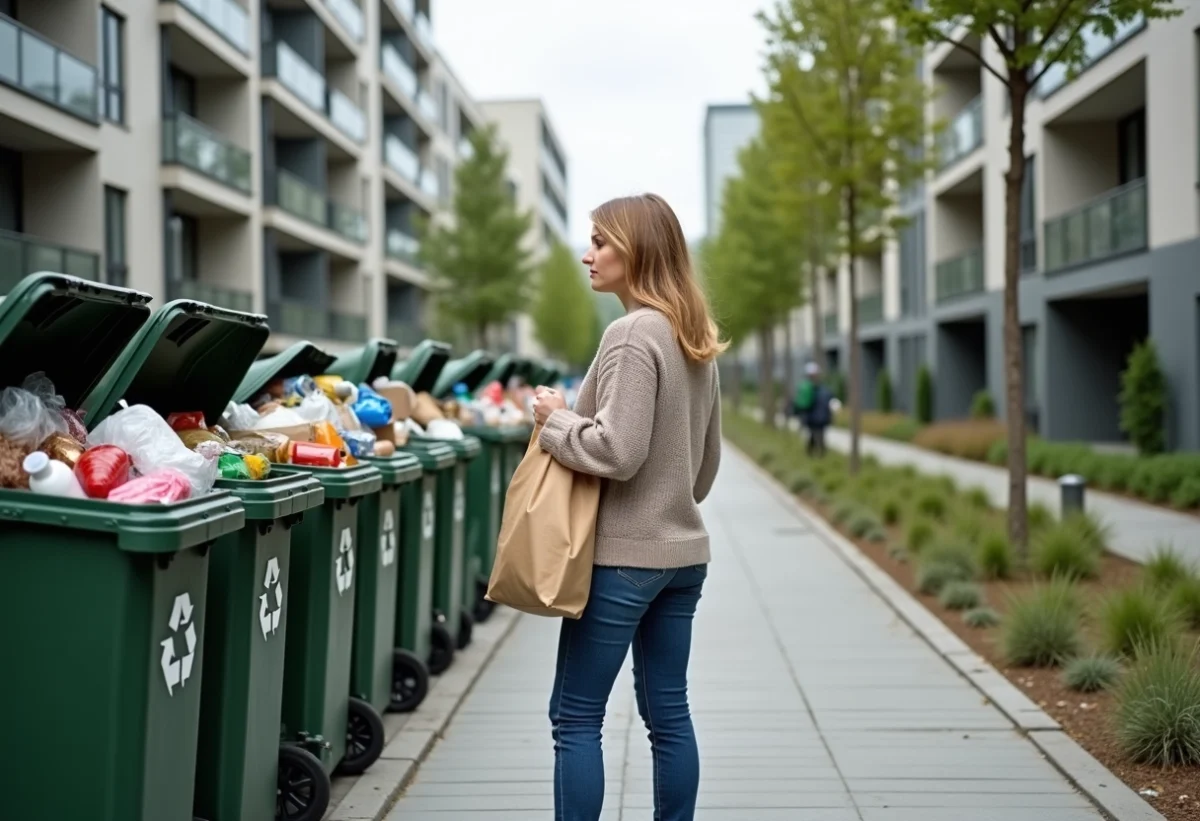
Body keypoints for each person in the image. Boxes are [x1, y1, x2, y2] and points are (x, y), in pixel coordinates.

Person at [531, 193, 726, 821]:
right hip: (683, 558)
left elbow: (618, 451)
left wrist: (554, 421)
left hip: (622, 561)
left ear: (635, 251)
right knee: (669, 714)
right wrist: (667, 502)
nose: (587, 255)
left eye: (600, 242)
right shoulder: (691, 334)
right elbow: (705, 469)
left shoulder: (632, 332)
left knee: (576, 717)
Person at [796, 361, 834, 457]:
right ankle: (816, 456)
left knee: (817, 437)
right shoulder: (808, 388)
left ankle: (815, 456)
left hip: (819, 418)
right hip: (814, 418)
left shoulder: (821, 388)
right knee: (816, 437)